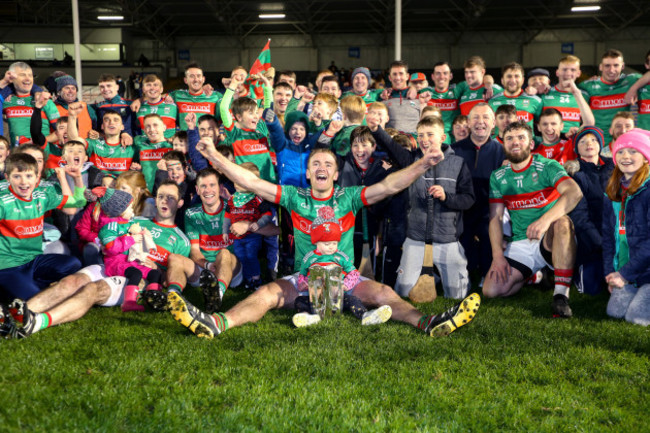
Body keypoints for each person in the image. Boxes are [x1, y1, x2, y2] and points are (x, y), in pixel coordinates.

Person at [166, 135, 481, 339]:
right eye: (315, 163)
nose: (321, 167)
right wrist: (215, 159)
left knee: (385, 293)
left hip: (346, 277)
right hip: (304, 277)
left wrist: (422, 163)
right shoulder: (294, 196)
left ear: (334, 173)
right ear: (308, 172)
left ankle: (426, 323)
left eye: (328, 164)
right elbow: (252, 181)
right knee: (263, 296)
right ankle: (217, 323)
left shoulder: (349, 196)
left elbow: (388, 186)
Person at [1, 180, 190, 338]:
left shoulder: (181, 240)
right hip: (111, 264)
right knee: (71, 281)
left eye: (171, 198)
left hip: (136, 277)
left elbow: (173, 275)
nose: (165, 201)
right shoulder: (135, 220)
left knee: (92, 290)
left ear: (180, 203)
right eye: (161, 196)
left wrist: (155, 267)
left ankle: (36, 323)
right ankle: (14, 316)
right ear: (154, 200)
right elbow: (104, 226)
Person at [483, 120, 583, 318]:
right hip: (521, 241)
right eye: (509, 138)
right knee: (491, 291)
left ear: (531, 144)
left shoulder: (546, 165)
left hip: (550, 238)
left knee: (562, 221)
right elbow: (495, 218)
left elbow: (574, 192)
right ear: (503, 143)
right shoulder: (498, 176)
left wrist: (545, 220)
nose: (515, 142)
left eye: (521, 137)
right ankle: (531, 275)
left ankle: (560, 296)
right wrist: (497, 256)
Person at [369, 115, 474, 299]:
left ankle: (438, 276)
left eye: (430, 134)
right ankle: (428, 275)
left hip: (447, 239)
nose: (425, 140)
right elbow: (392, 147)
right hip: (415, 239)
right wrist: (376, 129)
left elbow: (468, 199)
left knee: (458, 296)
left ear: (442, 137)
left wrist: (446, 197)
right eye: (421, 135)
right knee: (403, 292)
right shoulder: (411, 161)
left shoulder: (458, 163)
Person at [0, 153, 86, 301]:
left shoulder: (42, 195)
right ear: (7, 178)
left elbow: (77, 203)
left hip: (34, 261)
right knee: (37, 300)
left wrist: (77, 178)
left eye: (28, 176)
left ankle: (28, 285)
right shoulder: (3, 201)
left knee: (73, 264)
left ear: (37, 177)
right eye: (17, 176)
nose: (23, 182)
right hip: (8, 265)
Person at [291, 206, 392, 328]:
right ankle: (308, 317)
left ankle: (366, 316)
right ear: (316, 242)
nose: (331, 247)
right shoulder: (310, 258)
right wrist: (304, 284)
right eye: (327, 244)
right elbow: (301, 275)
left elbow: (354, 273)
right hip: (317, 298)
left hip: (337, 296)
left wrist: (346, 285)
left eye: (334, 243)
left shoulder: (340, 256)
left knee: (353, 300)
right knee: (299, 301)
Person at [603, 129, 650, 326]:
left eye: (633, 151)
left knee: (636, 318)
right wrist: (611, 273)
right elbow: (607, 237)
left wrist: (624, 274)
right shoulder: (613, 190)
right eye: (621, 152)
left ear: (645, 157)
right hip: (629, 270)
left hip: (644, 268)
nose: (626, 157)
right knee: (614, 312)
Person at [453, 103, 504, 281]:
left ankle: (486, 273)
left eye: (485, 118)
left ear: (494, 123)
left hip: (490, 211)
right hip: (461, 211)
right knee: (465, 256)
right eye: (475, 117)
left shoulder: (502, 151)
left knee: (488, 236)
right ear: (468, 122)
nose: (480, 122)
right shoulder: (454, 150)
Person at [564, 126, 614, 295]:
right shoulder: (575, 174)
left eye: (593, 140)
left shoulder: (615, 168)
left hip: (617, 237)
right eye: (583, 141)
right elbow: (579, 217)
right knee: (591, 288)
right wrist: (601, 244)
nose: (589, 144)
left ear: (600, 144)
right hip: (592, 241)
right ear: (576, 149)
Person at [223, 162, 274, 289]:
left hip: (252, 235)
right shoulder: (232, 199)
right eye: (236, 179)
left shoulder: (257, 198)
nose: (237, 182)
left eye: (242, 180)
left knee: (251, 255)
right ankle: (248, 279)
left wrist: (259, 223)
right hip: (237, 237)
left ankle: (256, 278)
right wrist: (224, 231)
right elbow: (227, 217)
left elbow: (267, 214)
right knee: (241, 256)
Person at [578, 49, 641, 144]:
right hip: (598, 142)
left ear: (622, 66)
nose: (611, 70)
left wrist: (634, 88)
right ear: (600, 67)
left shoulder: (631, 81)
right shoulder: (587, 86)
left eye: (616, 65)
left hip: (624, 141)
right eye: (607, 66)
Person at [68, 103, 135, 177]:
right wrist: (72, 116)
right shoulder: (93, 143)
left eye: (116, 120)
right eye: (107, 120)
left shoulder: (131, 146)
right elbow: (73, 141)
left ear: (122, 127)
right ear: (102, 126)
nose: (111, 122)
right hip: (97, 186)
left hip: (121, 187)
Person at [2, 62, 59, 146]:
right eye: (22, 75)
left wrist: (38, 141)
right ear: (11, 78)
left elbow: (61, 131)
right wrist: (5, 85)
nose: (28, 78)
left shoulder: (45, 100)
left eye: (30, 75)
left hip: (41, 155)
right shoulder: (6, 101)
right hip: (17, 155)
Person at [539, 56, 594, 134]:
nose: (568, 73)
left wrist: (576, 93)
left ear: (579, 73)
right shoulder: (545, 93)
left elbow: (589, 123)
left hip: (573, 141)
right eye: (564, 69)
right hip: (551, 140)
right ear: (557, 72)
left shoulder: (584, 95)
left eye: (573, 70)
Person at [168, 63, 223, 131]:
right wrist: (166, 96)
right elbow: (156, 97)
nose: (196, 79)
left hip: (207, 139)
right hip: (186, 140)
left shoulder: (216, 96)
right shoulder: (176, 95)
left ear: (203, 79)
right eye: (192, 76)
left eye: (198, 76)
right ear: (185, 80)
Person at [488, 62, 542, 129]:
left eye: (516, 76)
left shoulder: (536, 101)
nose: (513, 80)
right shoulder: (492, 102)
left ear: (522, 80)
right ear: (502, 80)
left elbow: (541, 125)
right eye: (509, 76)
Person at [134, 114, 173, 191]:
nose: (151, 129)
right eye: (148, 126)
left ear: (164, 127)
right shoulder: (139, 143)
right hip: (146, 194)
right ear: (144, 130)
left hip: (167, 193)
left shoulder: (173, 145)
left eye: (155, 125)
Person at [52, 74, 96, 139]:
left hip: (84, 147)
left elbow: (96, 127)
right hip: (59, 147)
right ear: (59, 92)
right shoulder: (52, 107)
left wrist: (95, 133)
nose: (71, 91)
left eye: (73, 88)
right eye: (67, 88)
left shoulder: (86, 107)